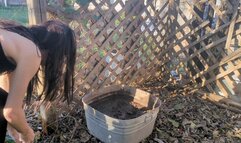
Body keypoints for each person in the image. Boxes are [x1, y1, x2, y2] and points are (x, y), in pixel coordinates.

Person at [0, 20, 77, 143]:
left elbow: (6, 101)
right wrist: (26, 133)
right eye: (62, 57)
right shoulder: (32, 52)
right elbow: (12, 113)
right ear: (55, 51)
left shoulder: (16, 40)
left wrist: (12, 128)